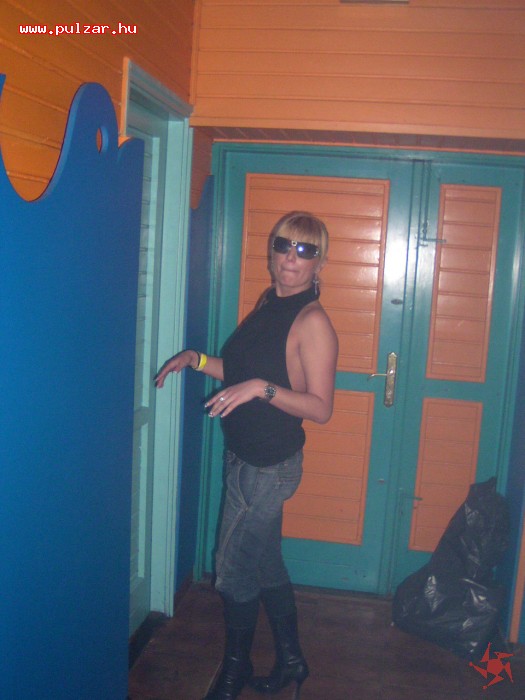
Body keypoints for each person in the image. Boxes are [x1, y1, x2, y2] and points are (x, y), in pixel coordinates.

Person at [155, 211, 338, 700]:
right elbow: (238, 372)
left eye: (305, 250)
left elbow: (321, 408)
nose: (291, 258)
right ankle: (292, 660)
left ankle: (233, 673)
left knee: (232, 569)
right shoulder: (268, 304)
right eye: (283, 245)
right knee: (265, 564)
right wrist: (195, 359)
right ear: (271, 251)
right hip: (242, 459)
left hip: (269, 468)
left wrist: (263, 389)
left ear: (320, 262)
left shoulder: (312, 322)